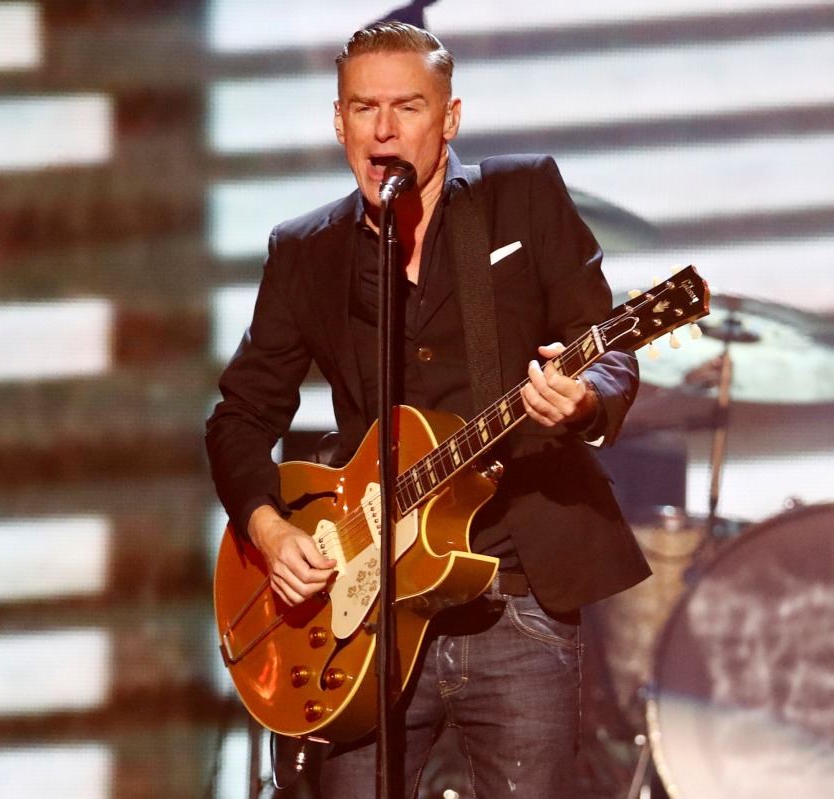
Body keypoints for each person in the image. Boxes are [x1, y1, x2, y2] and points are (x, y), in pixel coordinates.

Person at [205, 21, 651, 799]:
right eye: (362, 108)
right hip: (362, 619)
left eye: (407, 107)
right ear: (337, 122)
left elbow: (605, 347)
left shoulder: (523, 195)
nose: (383, 130)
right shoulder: (305, 250)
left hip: (515, 595)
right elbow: (239, 416)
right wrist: (270, 529)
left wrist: (583, 399)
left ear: (448, 118)